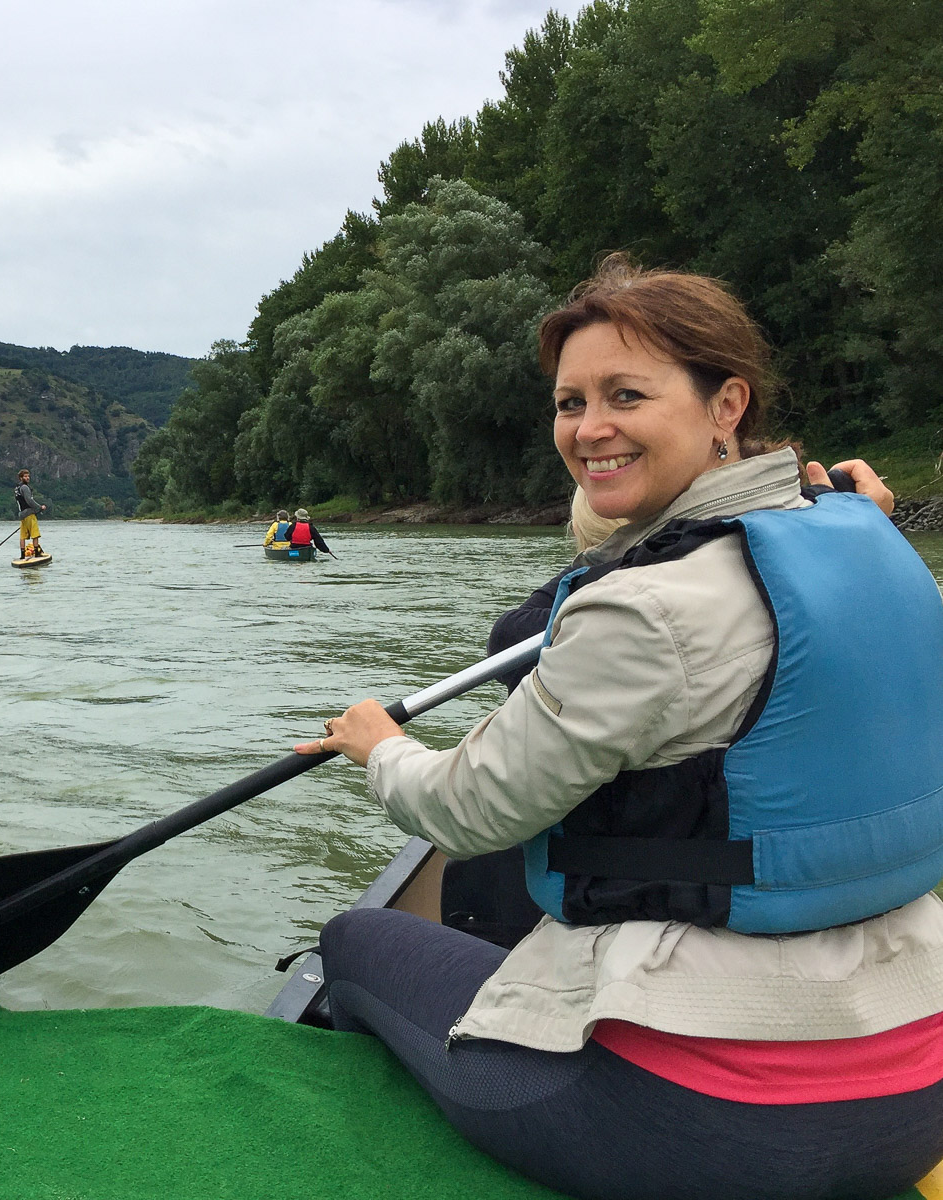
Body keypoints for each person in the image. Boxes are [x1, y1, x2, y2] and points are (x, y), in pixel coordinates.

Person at [298, 256, 943, 1200]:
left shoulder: (641, 610)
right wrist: (864, 519)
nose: (589, 428)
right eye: (570, 402)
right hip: (917, 1094)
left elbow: (469, 812)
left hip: (713, 1135)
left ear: (728, 404)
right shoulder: (877, 545)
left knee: (354, 941)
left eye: (626, 394)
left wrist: (378, 745)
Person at [15, 468, 47, 560]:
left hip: (22, 515)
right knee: (35, 534)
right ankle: (37, 554)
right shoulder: (25, 487)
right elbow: (29, 501)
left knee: (23, 536)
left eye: (28, 476)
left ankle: (22, 555)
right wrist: (40, 507)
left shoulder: (17, 488)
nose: (28, 478)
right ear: (21, 478)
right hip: (29, 514)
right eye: (25, 476)